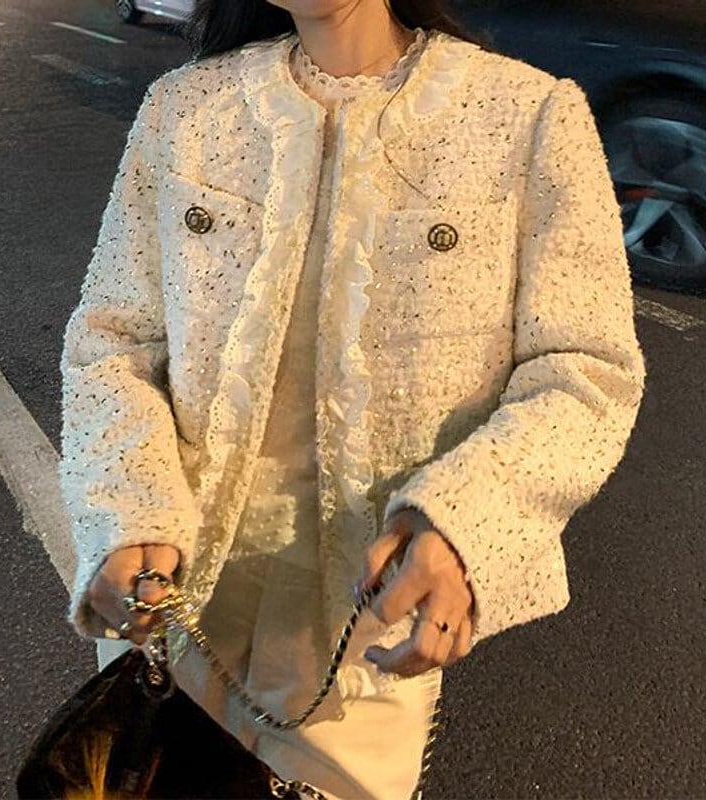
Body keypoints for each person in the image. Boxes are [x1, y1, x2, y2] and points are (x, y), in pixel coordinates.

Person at [58, 0, 647, 797]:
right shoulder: (186, 109)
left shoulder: (528, 117)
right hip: (170, 624)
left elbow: (585, 371)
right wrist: (127, 509)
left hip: (362, 656)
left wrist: (465, 520)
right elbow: (113, 340)